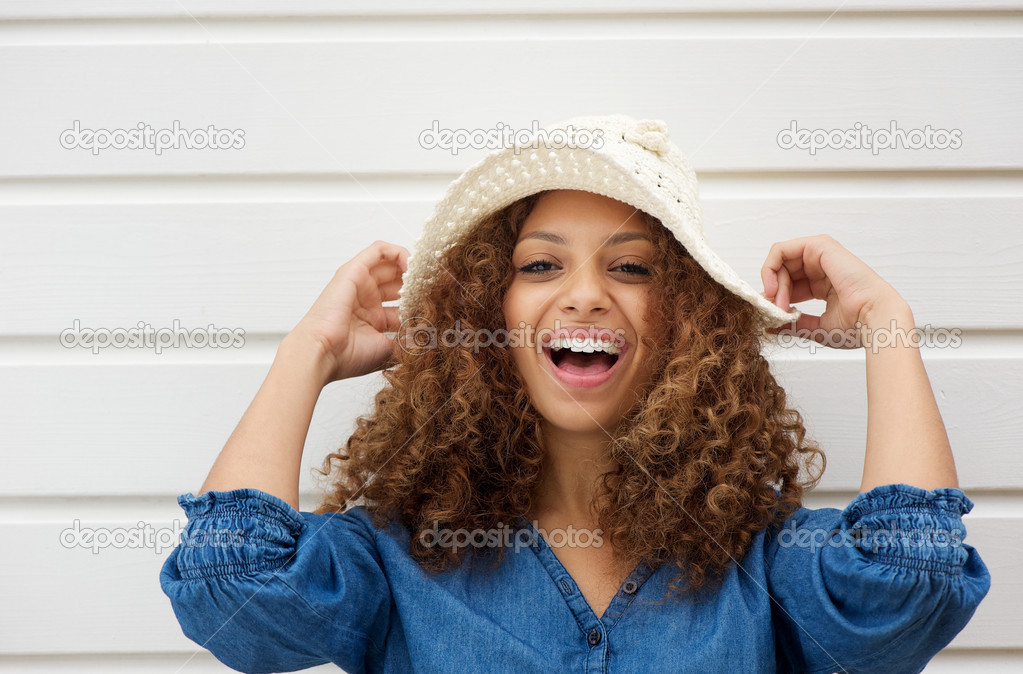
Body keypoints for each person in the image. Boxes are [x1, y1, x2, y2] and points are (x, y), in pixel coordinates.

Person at [160, 114, 990, 673]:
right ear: (490, 309)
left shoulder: (762, 559)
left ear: (684, 322)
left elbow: (907, 587)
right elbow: (226, 586)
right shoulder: (392, 556)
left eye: (630, 268)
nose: (586, 294)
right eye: (540, 265)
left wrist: (887, 325)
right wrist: (307, 352)